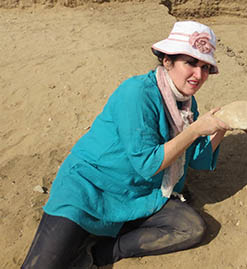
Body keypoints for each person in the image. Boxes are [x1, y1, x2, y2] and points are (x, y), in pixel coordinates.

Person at [22, 21, 229, 268]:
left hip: (140, 193)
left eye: (205, 67)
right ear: (167, 60)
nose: (199, 74)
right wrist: (195, 129)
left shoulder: (186, 104)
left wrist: (222, 127)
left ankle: (101, 252)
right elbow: (147, 163)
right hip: (89, 189)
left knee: (190, 228)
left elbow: (197, 158)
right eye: (191, 63)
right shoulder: (137, 92)